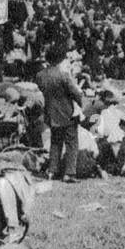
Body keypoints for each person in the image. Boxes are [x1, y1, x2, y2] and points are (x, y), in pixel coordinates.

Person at [34, 45, 83, 182]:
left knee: (55, 142)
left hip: (50, 112)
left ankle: (52, 171)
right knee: (71, 142)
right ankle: (69, 173)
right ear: (61, 59)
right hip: (66, 112)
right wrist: (80, 104)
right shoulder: (63, 76)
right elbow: (75, 93)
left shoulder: (40, 76)